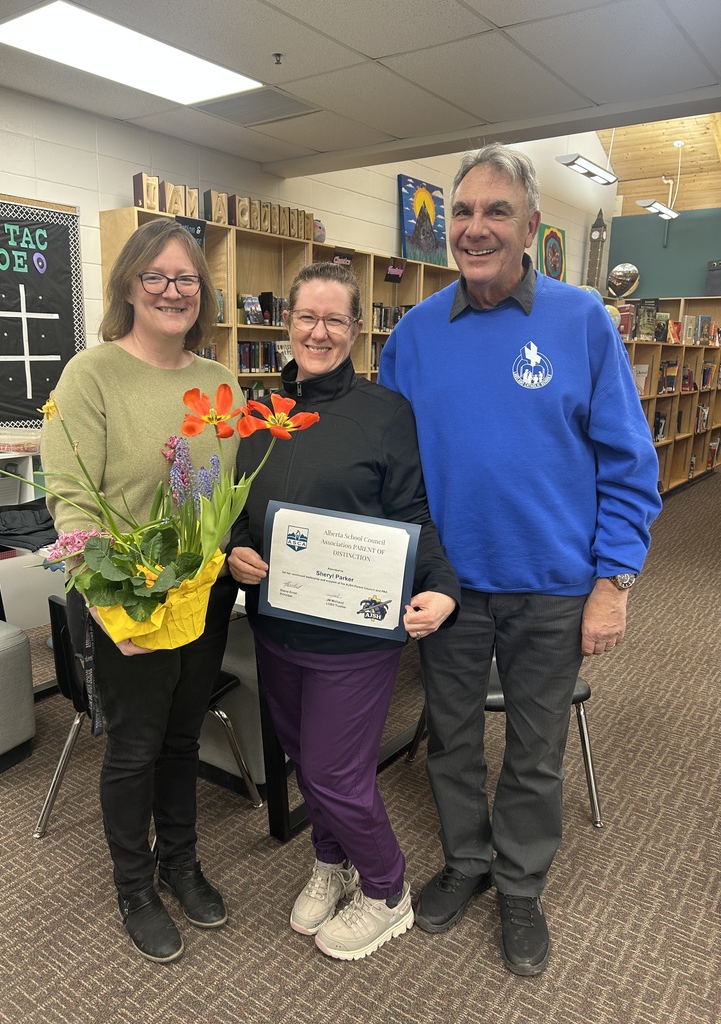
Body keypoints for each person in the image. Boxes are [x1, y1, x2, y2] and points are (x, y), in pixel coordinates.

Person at [378, 143, 662, 976]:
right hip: (453, 589)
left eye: (496, 212)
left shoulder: (582, 322)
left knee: (535, 752)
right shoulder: (417, 333)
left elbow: (629, 465)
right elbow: (392, 464)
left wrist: (613, 585)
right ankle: (466, 863)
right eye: (462, 213)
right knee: (452, 741)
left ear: (532, 227)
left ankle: (519, 886)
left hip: (553, 591)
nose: (475, 228)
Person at [227, 262, 460, 961]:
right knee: (305, 758)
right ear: (287, 323)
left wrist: (442, 585)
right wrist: (238, 549)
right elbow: (241, 508)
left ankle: (388, 891)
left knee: (335, 771)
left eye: (335, 320)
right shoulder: (257, 414)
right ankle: (331, 861)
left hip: (356, 636)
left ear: (357, 330)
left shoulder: (385, 413)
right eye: (306, 317)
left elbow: (414, 513)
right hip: (277, 626)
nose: (319, 332)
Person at [41, 219, 245, 964]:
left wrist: (234, 555)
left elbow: (218, 497)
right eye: (155, 276)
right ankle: (134, 886)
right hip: (124, 600)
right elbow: (72, 500)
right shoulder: (89, 375)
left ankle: (180, 863)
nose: (171, 290)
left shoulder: (220, 381)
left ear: (203, 291)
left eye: (186, 278)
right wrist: (108, 601)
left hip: (201, 597)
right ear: (129, 284)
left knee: (183, 740)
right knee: (132, 750)